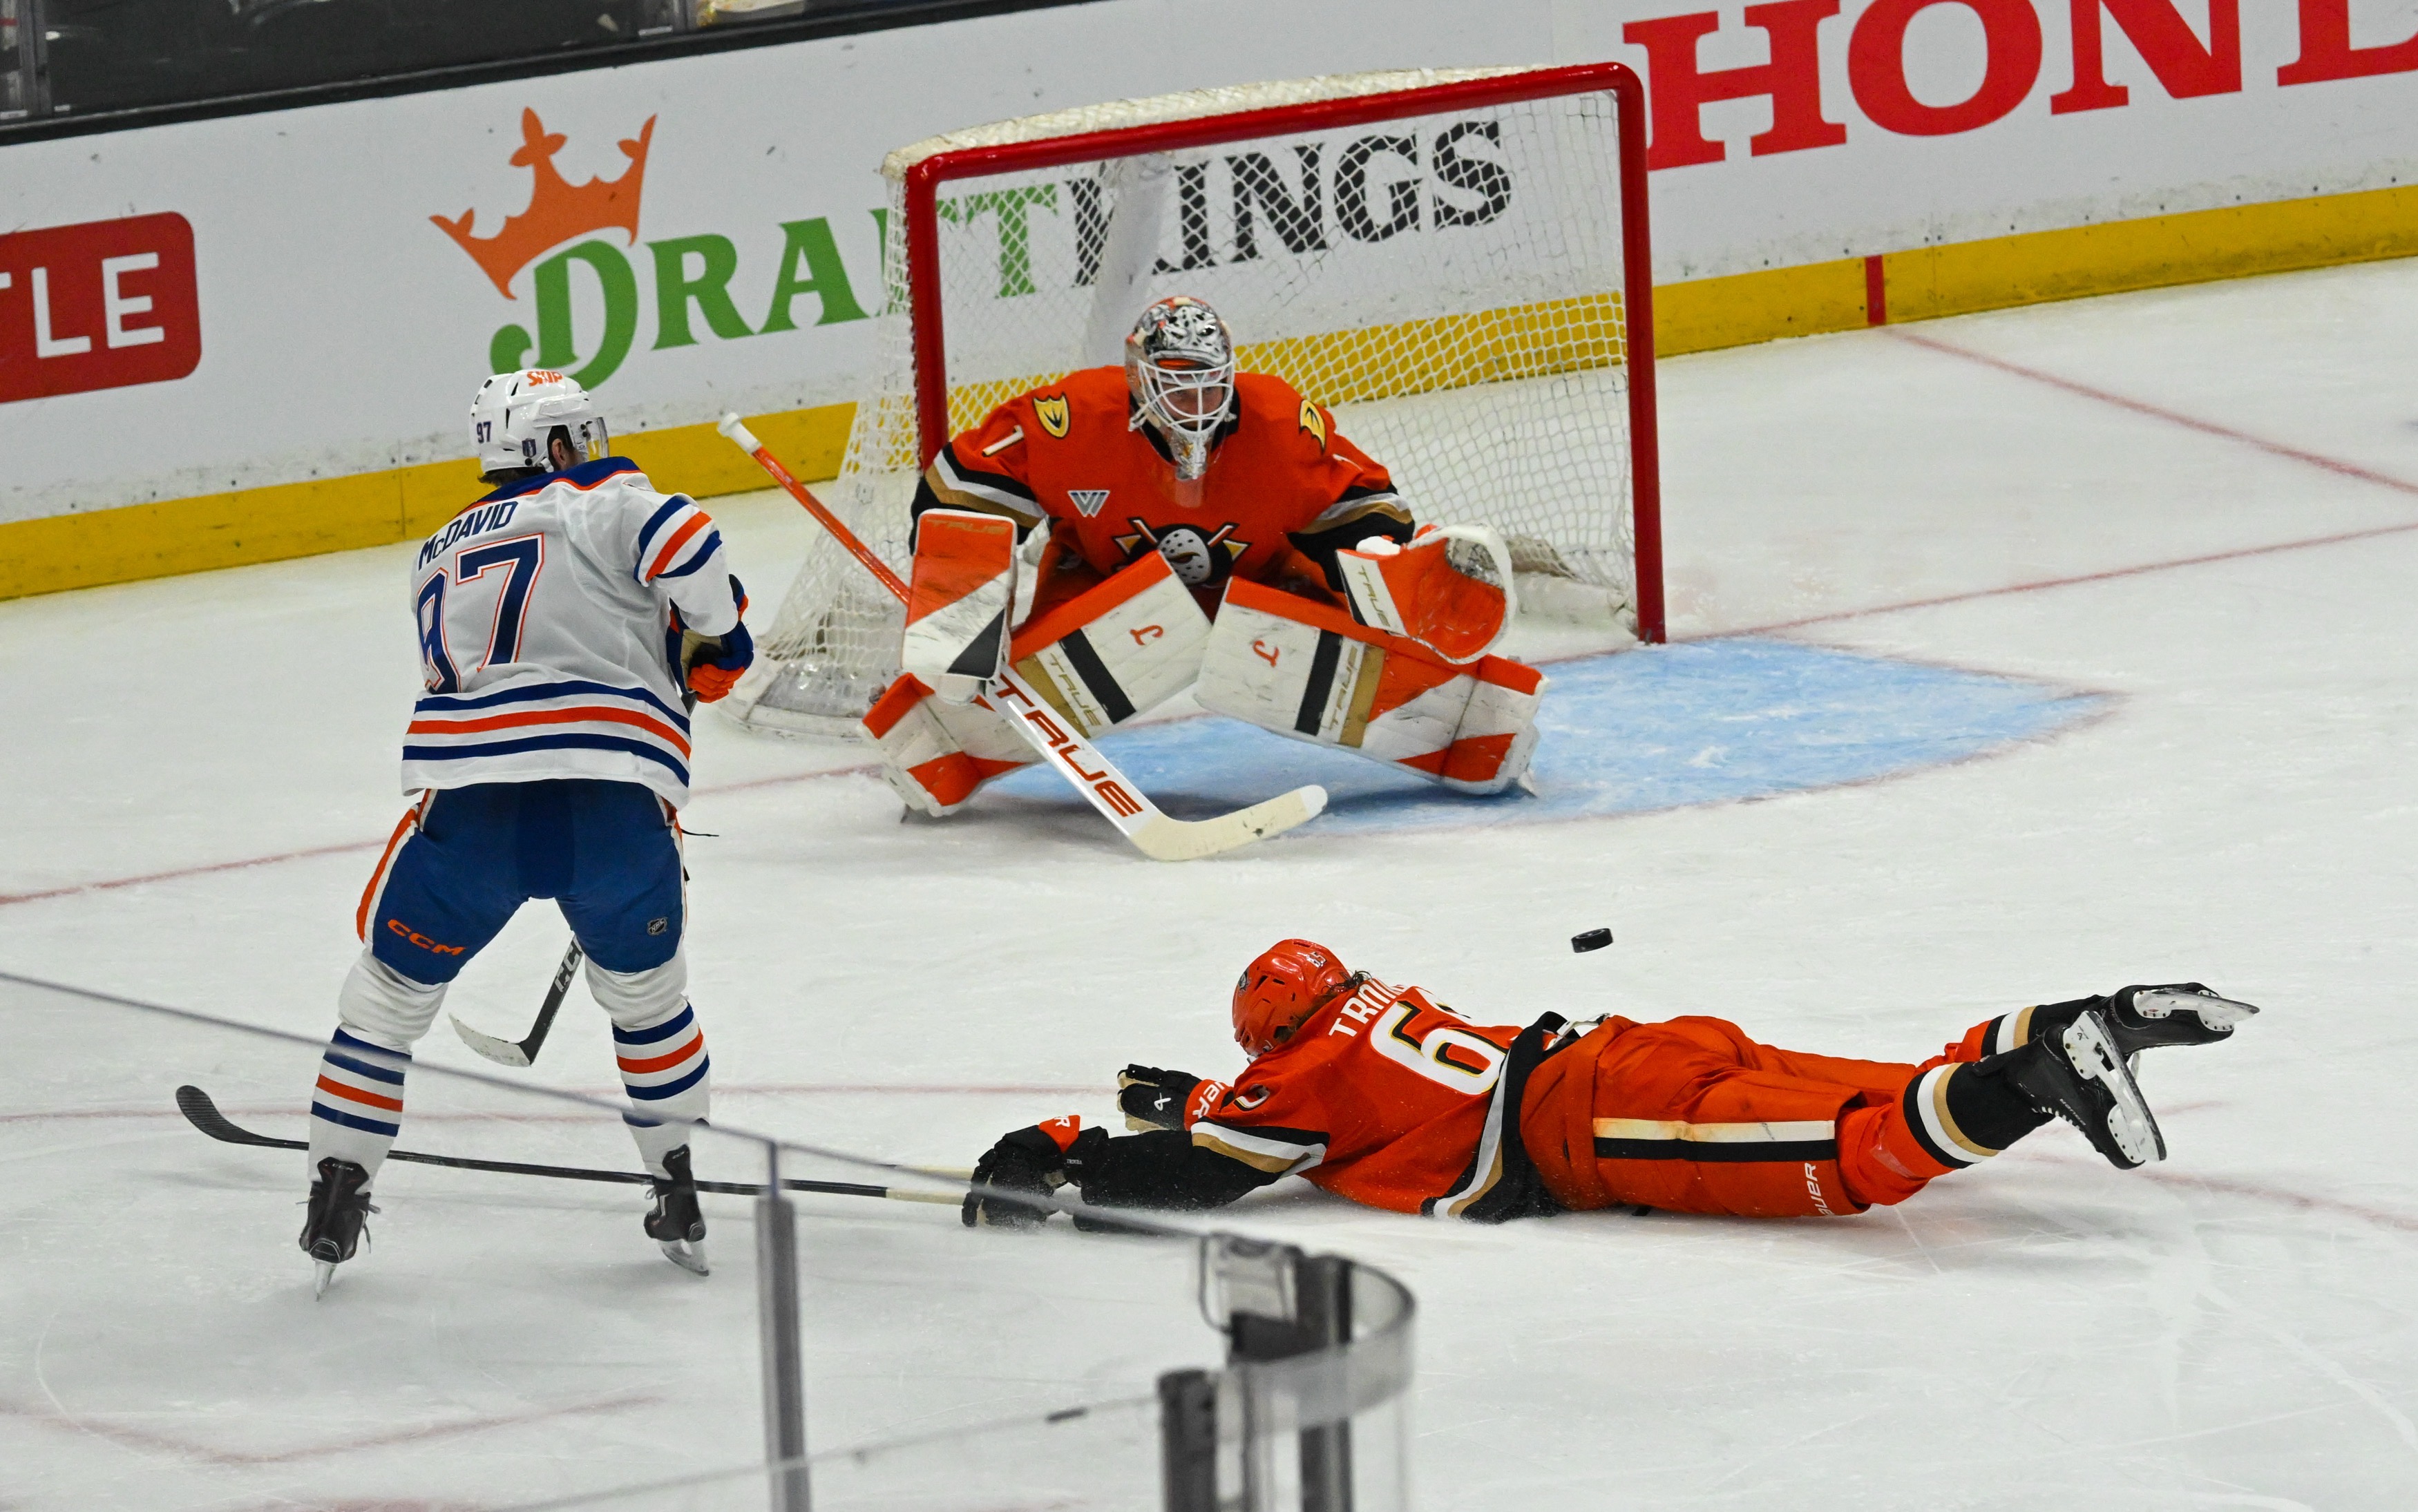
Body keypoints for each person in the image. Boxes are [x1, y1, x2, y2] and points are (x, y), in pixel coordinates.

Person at [297, 369, 755, 1292]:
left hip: (474, 812)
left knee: (385, 998)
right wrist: (716, 633)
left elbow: (541, 630)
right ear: (555, 443)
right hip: (610, 805)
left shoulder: (437, 548)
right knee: (649, 1002)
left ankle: (336, 1190)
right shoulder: (601, 495)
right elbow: (690, 544)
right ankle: (678, 1184)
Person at [960, 940, 2258, 1227]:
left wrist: (1061, 1157)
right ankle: (2088, 1020)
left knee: (1857, 1162)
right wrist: (1190, 1093)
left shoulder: (1295, 1076)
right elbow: (1289, 1112)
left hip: (1601, 1127)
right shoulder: (1375, 1009)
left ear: (1273, 1040)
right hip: (1635, 1045)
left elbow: (1213, 1167)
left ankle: (2041, 1075)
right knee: (1908, 1079)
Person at [867, 296, 1545, 819]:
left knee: (1304, 629)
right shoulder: (1074, 418)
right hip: (1103, 584)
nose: (1196, 406)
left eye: (1209, 387)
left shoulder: (1278, 424)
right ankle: (938, 742)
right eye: (1176, 386)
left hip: (1265, 583)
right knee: (1047, 657)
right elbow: (963, 483)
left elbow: (1356, 502)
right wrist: (965, 593)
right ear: (1137, 378)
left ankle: (1473, 724)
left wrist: (1380, 560)